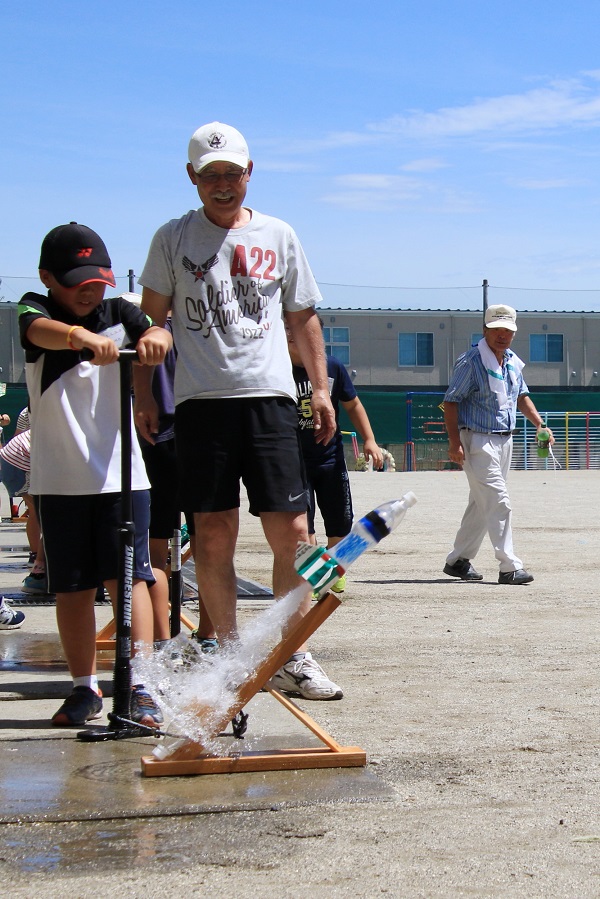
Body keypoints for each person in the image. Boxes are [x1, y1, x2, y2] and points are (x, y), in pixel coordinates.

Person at [134, 121, 342, 700]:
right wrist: (144, 393)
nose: (222, 186)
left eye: (232, 174)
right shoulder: (172, 239)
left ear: (250, 174)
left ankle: (289, 650)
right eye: (210, 176)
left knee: (294, 533)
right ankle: (225, 654)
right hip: (202, 405)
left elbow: (302, 318)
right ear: (192, 178)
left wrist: (320, 389)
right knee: (213, 533)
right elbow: (152, 323)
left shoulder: (279, 235)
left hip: (271, 400)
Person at [18, 222, 172, 726]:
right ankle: (85, 687)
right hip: (60, 481)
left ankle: (141, 684)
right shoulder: (35, 309)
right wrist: (80, 338)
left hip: (121, 477)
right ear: (48, 277)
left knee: (129, 581)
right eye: (76, 279)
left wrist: (153, 338)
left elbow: (157, 326)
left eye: (97, 279)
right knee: (72, 589)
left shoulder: (119, 311)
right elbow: (37, 330)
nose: (89, 290)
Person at [442, 304, 554, 585]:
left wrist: (540, 424)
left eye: (508, 331)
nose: (502, 335)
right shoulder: (471, 361)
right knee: (498, 501)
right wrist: (455, 443)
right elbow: (451, 401)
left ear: (514, 334)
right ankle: (509, 566)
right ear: (485, 330)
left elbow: (522, 397)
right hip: (477, 439)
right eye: (497, 330)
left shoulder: (513, 362)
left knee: (482, 504)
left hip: (505, 440)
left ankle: (458, 561)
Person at [286, 319, 383, 594]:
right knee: (304, 527)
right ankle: (316, 579)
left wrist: (370, 440)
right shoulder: (277, 368)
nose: (293, 335)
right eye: (287, 330)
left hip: (330, 458)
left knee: (339, 523)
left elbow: (353, 405)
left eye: (300, 329)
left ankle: (334, 569)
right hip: (294, 460)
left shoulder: (332, 367)